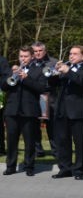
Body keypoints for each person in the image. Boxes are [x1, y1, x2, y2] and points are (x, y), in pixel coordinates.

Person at [0, 46, 45, 176]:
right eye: (21, 56)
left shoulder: (38, 70)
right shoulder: (13, 69)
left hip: (29, 110)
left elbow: (41, 88)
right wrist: (13, 74)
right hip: (12, 110)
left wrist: (26, 78)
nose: (23, 59)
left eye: (25, 56)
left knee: (30, 140)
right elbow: (3, 86)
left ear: (32, 57)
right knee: (11, 140)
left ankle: (29, 166)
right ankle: (11, 166)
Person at [48, 45, 83, 179]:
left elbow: (80, 80)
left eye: (75, 54)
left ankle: (80, 170)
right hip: (62, 110)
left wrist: (68, 71)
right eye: (70, 53)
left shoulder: (73, 69)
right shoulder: (66, 68)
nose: (71, 56)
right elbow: (52, 85)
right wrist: (53, 73)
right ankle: (65, 169)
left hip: (78, 111)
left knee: (80, 143)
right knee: (62, 141)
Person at [31, 41, 58, 157]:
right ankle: (38, 150)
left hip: (48, 96)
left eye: (40, 51)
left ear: (45, 51)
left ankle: (56, 150)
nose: (37, 53)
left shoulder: (53, 62)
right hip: (33, 96)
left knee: (51, 126)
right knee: (34, 125)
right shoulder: (30, 62)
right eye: (35, 51)